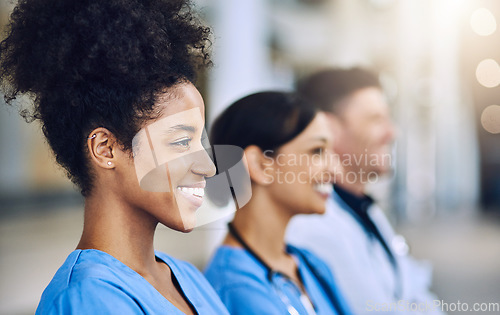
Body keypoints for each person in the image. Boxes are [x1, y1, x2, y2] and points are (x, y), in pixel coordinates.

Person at [0, 0, 229, 314]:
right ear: (105, 149)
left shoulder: (187, 277)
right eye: (180, 141)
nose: (207, 166)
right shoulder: (86, 301)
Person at [286, 68, 444, 314]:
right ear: (327, 128)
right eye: (375, 120)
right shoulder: (312, 225)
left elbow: (416, 293)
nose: (392, 133)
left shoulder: (362, 208)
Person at [204, 91, 351, 315]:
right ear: (260, 165)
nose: (335, 170)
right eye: (317, 151)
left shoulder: (311, 265)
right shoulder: (234, 287)